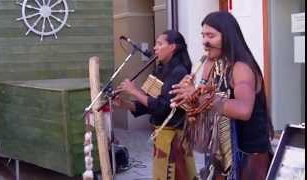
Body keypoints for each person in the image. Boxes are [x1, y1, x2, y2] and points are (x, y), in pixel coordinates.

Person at [170, 11, 274, 180]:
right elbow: (202, 110)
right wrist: (188, 98)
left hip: (247, 156)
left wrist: (201, 98)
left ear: (227, 37)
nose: (205, 41)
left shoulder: (242, 68)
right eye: (203, 35)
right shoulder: (211, 64)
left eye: (211, 35)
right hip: (220, 156)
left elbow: (244, 110)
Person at [113, 30, 197, 180]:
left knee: (176, 175)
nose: (155, 48)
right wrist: (124, 103)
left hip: (174, 138)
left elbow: (162, 107)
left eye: (159, 44)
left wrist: (134, 91)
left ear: (172, 47)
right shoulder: (160, 69)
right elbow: (147, 105)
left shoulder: (179, 72)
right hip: (162, 137)